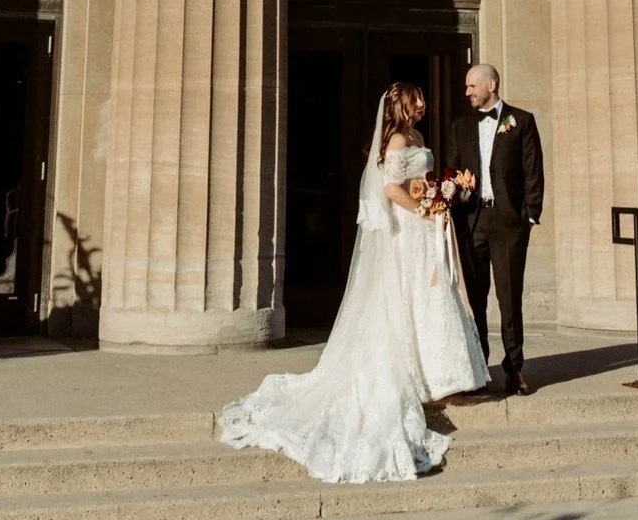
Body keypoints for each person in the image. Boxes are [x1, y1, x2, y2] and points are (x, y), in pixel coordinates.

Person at [220, 82, 487, 483]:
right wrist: (425, 209)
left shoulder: (417, 136)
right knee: (406, 298)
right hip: (407, 229)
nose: (423, 103)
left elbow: (421, 177)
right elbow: (392, 190)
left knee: (430, 296)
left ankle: (439, 375)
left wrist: (440, 191)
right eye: (416, 98)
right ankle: (416, 374)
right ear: (400, 105)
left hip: (422, 232)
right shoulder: (396, 140)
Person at [448, 63, 544, 397]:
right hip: (472, 222)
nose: (467, 92)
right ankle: (478, 369)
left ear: (491, 84)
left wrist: (529, 216)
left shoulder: (522, 121)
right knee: (474, 299)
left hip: (508, 224)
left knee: (509, 297)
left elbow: (533, 170)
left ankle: (515, 369)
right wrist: (453, 192)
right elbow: (452, 172)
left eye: (472, 85)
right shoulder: (460, 126)